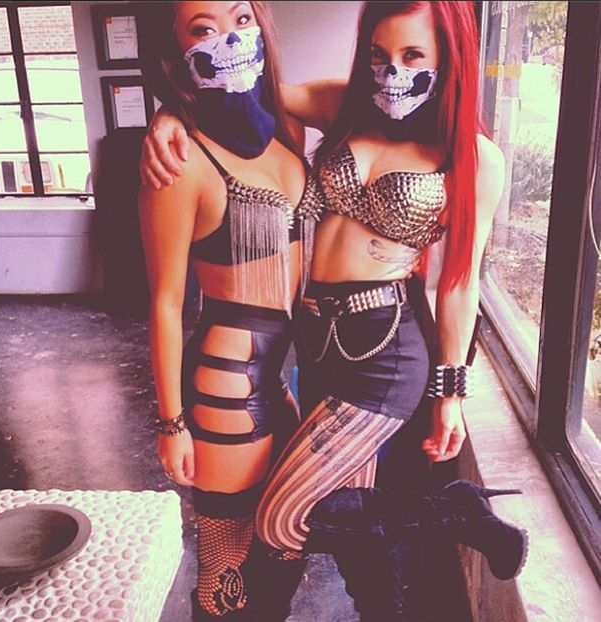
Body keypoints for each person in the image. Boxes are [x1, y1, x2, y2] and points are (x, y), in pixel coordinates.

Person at [141, 2, 529, 620]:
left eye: (413, 56)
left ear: (451, 59)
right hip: (315, 347)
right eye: (379, 55)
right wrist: (167, 114)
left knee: (281, 515)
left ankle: (451, 512)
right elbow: (239, 87)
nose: (392, 73)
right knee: (348, 535)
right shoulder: (342, 105)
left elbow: (457, 286)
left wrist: (450, 394)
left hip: (386, 348)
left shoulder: (475, 158)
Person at [136, 2, 323, 620]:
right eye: (203, 29)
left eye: (241, 19)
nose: (230, 38)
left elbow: (364, 102)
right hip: (225, 384)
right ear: (176, 53)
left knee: (284, 546)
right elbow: (166, 302)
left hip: (282, 374)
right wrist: (171, 424)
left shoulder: (284, 130)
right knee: (227, 567)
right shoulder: (179, 162)